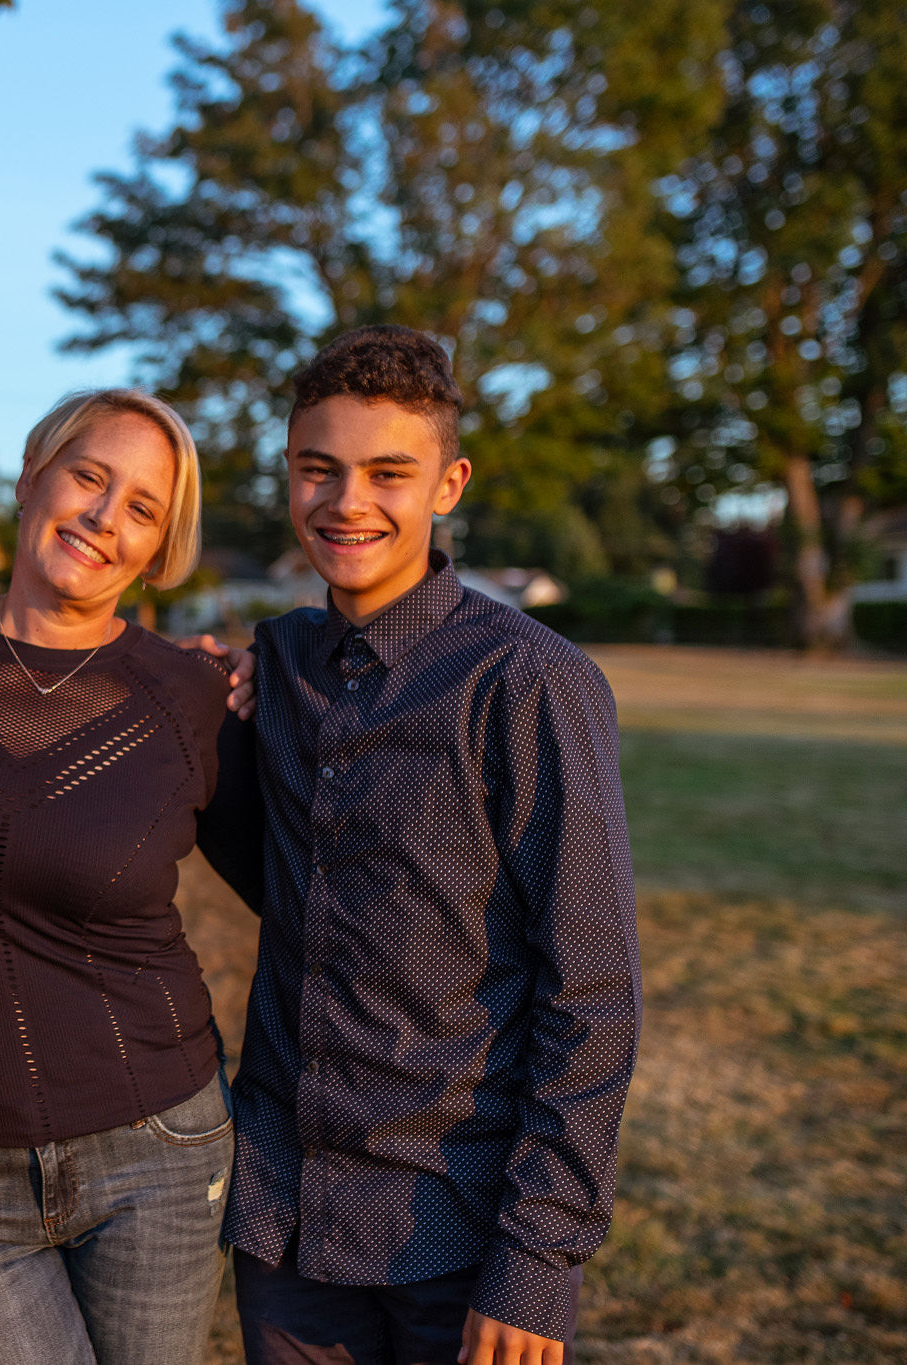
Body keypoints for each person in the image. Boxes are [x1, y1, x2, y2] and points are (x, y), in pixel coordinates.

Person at [226, 326, 641, 1365]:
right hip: (285, 1212)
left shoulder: (524, 681)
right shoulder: (272, 665)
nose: (345, 501)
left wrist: (535, 1262)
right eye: (317, 469)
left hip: (452, 1227)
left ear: (446, 484)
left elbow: (591, 990)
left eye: (386, 472)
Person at [0, 389, 265, 1365]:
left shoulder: (193, 695)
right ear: (29, 477)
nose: (101, 517)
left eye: (140, 508)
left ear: (156, 552)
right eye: (88, 477)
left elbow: (299, 889)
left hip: (159, 1149)